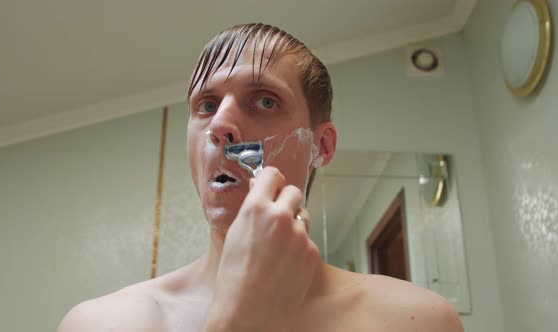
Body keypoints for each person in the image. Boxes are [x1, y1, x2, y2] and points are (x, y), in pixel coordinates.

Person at [58, 23, 463, 332]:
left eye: (265, 100)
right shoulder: (101, 324)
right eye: (206, 104)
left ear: (321, 147)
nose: (220, 124)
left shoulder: (417, 321)